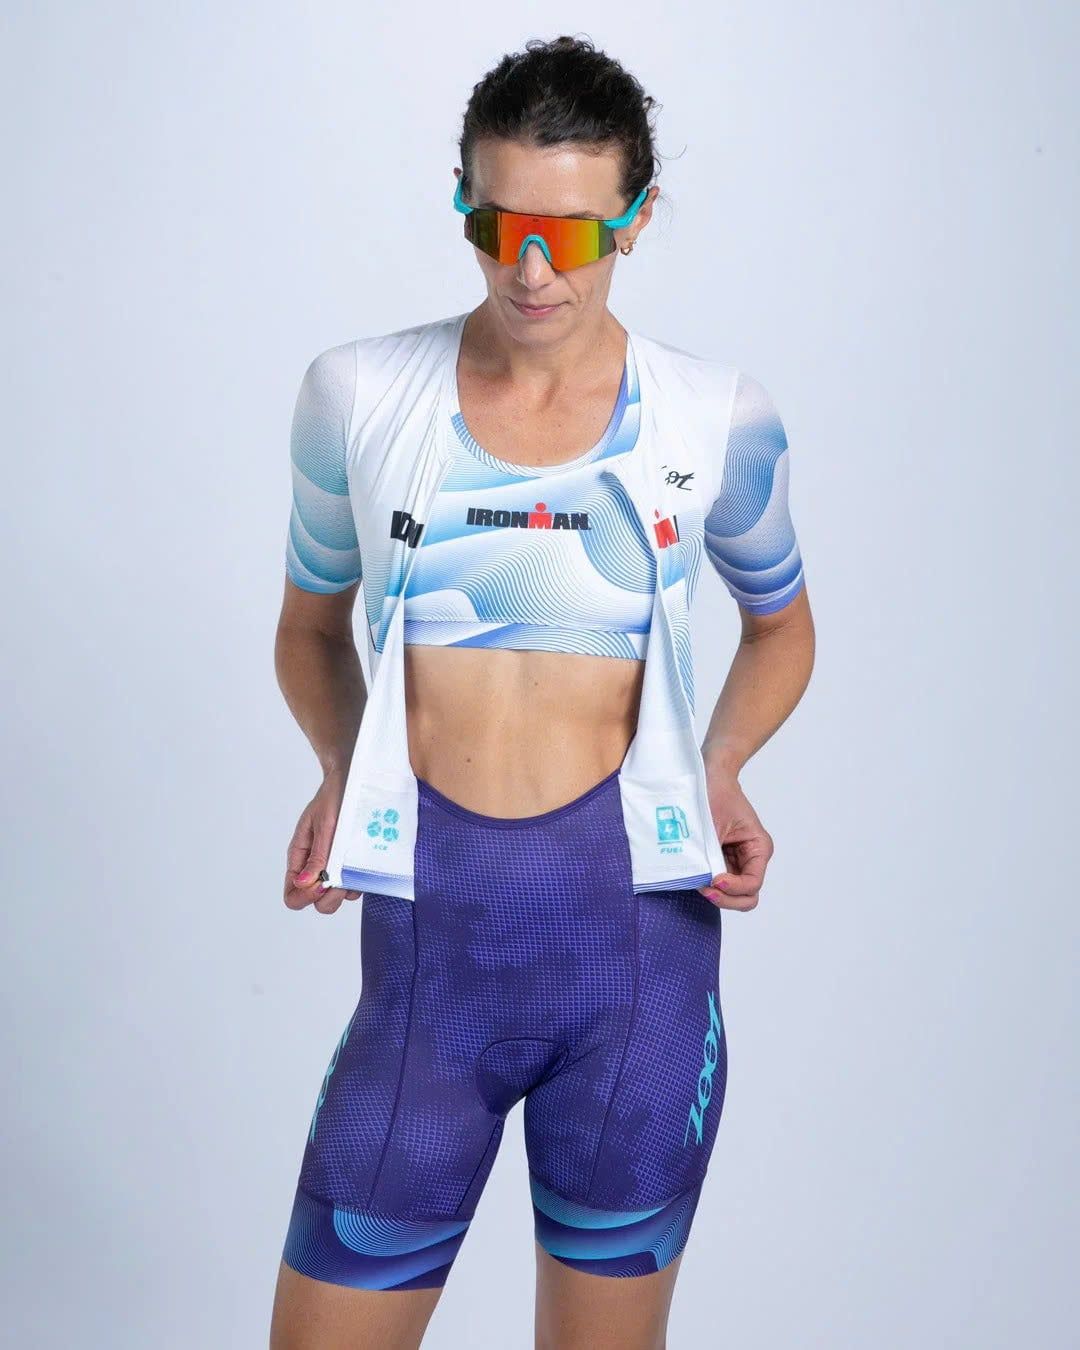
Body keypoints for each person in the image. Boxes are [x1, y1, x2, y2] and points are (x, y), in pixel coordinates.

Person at [269, 34, 815, 1350]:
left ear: (635, 217)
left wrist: (722, 765)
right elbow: (308, 628)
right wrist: (343, 769)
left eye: (568, 236)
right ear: (464, 201)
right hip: (427, 974)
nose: (529, 269)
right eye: (497, 224)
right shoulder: (357, 394)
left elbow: (783, 627)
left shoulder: (715, 417)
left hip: (637, 968)